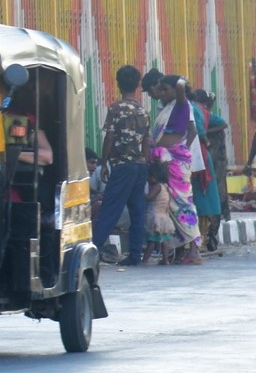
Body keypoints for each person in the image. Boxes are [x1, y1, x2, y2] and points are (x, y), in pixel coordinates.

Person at [93, 65, 152, 267]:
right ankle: (135, 255)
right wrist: (144, 163)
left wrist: (104, 163)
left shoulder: (116, 109)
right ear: (137, 85)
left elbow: (109, 137)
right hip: (139, 165)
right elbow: (146, 141)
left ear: (118, 84)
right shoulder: (143, 110)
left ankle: (93, 249)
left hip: (122, 165)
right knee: (137, 211)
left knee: (110, 209)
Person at [150, 75, 204, 265]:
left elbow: (181, 86)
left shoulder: (181, 104)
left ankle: (195, 251)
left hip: (176, 162)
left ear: (175, 91)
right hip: (168, 159)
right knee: (170, 205)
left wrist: (181, 152)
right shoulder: (168, 109)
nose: (162, 93)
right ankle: (180, 251)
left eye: (165, 89)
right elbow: (192, 130)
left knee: (183, 205)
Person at [192, 88, 228, 253]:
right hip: (210, 164)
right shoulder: (206, 114)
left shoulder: (197, 112)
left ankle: (205, 238)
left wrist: (204, 134)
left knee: (205, 201)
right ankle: (209, 238)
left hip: (205, 163)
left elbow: (200, 133)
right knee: (213, 200)